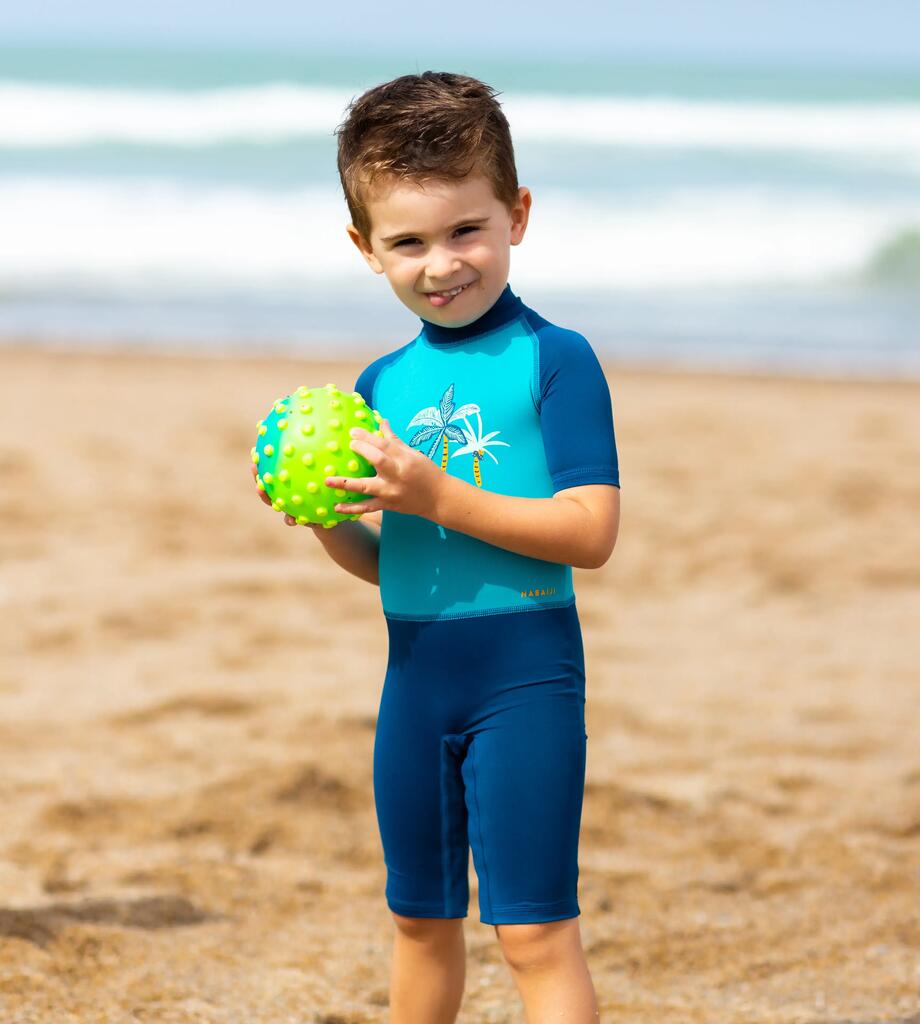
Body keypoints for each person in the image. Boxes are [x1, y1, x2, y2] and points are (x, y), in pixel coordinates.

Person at [254, 70, 619, 1023]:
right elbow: (391, 563)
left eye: (467, 230)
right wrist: (330, 519)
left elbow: (590, 533)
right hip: (412, 680)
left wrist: (438, 493)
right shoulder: (380, 381)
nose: (441, 263)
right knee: (417, 919)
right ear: (364, 249)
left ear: (518, 215)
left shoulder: (556, 358)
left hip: (526, 677)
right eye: (407, 241)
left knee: (536, 933)